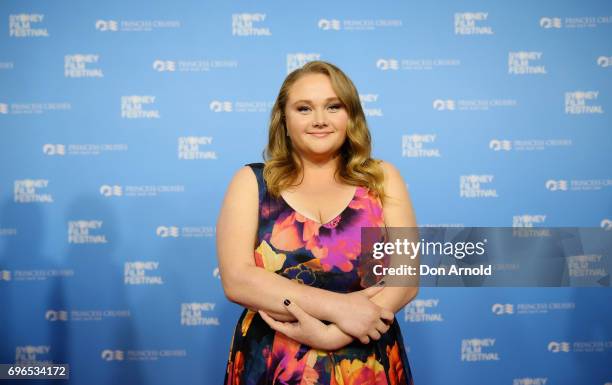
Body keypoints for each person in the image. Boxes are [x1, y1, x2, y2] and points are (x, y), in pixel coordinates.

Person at [216, 60, 418, 384]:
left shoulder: (382, 178)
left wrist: (333, 336)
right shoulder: (252, 182)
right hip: (275, 362)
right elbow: (237, 279)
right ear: (284, 119)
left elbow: (406, 277)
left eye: (333, 106)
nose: (320, 120)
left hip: (367, 356)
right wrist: (340, 309)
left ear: (350, 114)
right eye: (304, 108)